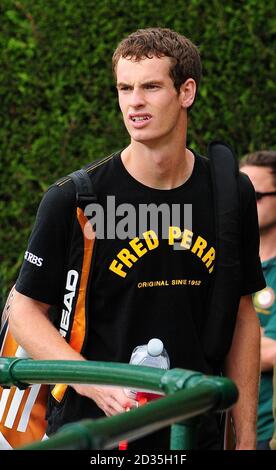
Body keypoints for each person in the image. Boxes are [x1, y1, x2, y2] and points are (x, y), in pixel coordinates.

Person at [8, 27, 265, 450]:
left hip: (192, 434)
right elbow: (24, 310)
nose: (134, 102)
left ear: (186, 92)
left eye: (150, 86)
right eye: (124, 88)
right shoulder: (75, 198)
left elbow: (242, 316)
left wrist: (247, 439)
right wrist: (95, 385)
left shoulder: (228, 194)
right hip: (93, 433)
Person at [240, 151, 276, 450]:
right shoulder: (226, 263)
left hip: (266, 431)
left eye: (257, 195)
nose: (245, 204)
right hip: (220, 425)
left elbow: (269, 355)